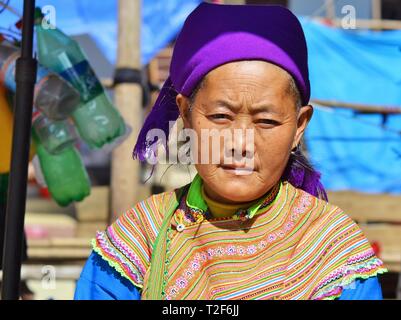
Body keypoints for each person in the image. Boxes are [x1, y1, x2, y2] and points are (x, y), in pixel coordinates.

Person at [74, 3, 387, 300]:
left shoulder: (334, 253)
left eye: (266, 121)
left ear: (299, 126)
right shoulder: (137, 243)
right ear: (185, 114)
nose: (241, 143)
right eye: (220, 117)